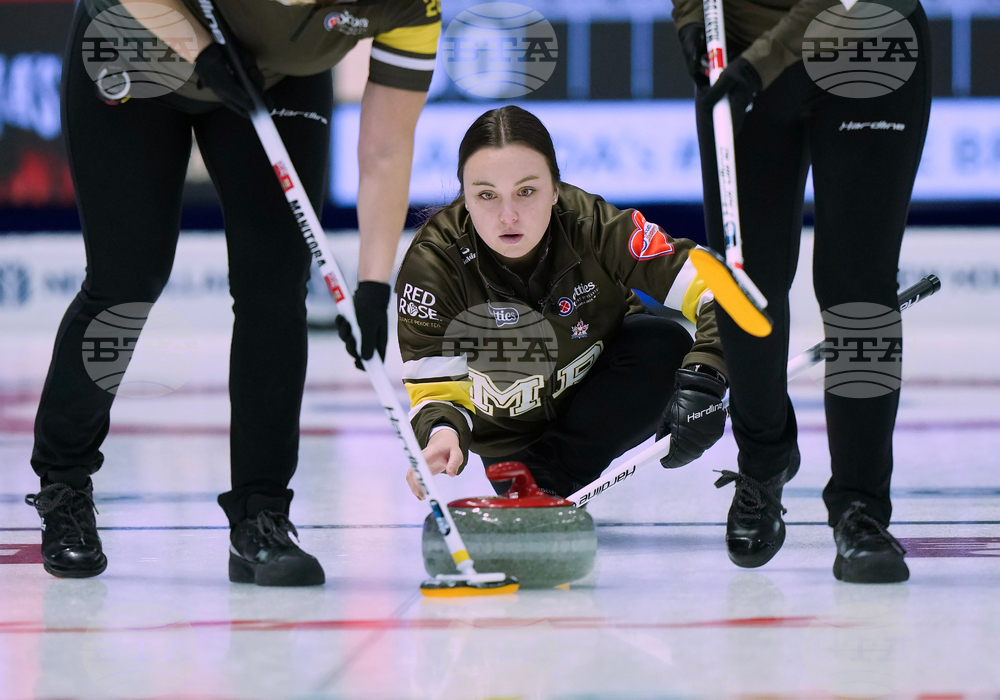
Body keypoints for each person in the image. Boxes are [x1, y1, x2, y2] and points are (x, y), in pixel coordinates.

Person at [24, 0, 440, 585]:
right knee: (127, 278)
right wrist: (201, 51)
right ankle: (63, 486)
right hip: (135, 44)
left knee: (275, 282)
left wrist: (373, 283)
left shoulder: (411, 8)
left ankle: (260, 517)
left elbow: (387, 149)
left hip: (275, 76)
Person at [673, 0, 931, 582]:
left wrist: (763, 60)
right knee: (746, 283)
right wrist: (691, 19)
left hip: (866, 43)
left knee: (857, 286)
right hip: (740, 56)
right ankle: (763, 459)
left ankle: (861, 508)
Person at [394, 105, 729, 501]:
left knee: (664, 345)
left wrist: (706, 378)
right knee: (523, 475)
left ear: (555, 189)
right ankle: (539, 480)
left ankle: (552, 476)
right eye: (486, 195)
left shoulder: (594, 225)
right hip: (511, 441)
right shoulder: (433, 264)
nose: (508, 216)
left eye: (526, 191)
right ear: (464, 198)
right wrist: (442, 433)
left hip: (606, 382)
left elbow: (720, 288)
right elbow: (436, 390)